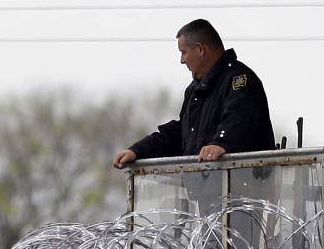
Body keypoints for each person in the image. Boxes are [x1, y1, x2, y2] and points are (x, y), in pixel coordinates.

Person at [112, 19, 276, 168]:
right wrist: (139, 151)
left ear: (200, 49)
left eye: (183, 52)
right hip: (207, 194)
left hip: (246, 193)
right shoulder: (195, 90)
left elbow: (239, 117)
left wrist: (221, 143)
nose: (182, 60)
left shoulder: (239, 79)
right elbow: (181, 133)